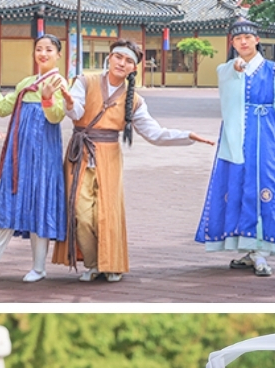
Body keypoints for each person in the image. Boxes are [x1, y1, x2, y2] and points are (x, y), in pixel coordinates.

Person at [55, 39, 211, 282]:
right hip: (80, 153)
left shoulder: (135, 100)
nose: (122, 63)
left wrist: (187, 136)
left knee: (106, 213)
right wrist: (68, 101)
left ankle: (112, 264)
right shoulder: (86, 81)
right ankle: (94, 263)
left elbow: (154, 134)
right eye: (119, 57)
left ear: (134, 68)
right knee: (80, 211)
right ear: (110, 58)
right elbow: (75, 113)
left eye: (129, 61)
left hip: (109, 155)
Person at [0, 36, 70, 282]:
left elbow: (56, 117)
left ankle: (39, 268)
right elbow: (2, 108)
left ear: (58, 55)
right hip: (18, 156)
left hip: (43, 157)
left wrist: (49, 98)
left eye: (48, 49)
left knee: (40, 204)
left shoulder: (60, 82)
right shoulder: (26, 83)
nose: (43, 53)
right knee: (9, 201)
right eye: (39, 49)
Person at [197, 17, 275, 278]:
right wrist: (234, 70)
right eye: (237, 38)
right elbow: (226, 82)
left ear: (257, 40)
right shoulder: (229, 69)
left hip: (264, 136)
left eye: (247, 37)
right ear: (232, 42)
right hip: (237, 137)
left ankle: (261, 250)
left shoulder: (274, 70)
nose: (243, 42)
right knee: (239, 186)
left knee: (263, 187)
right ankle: (248, 247)